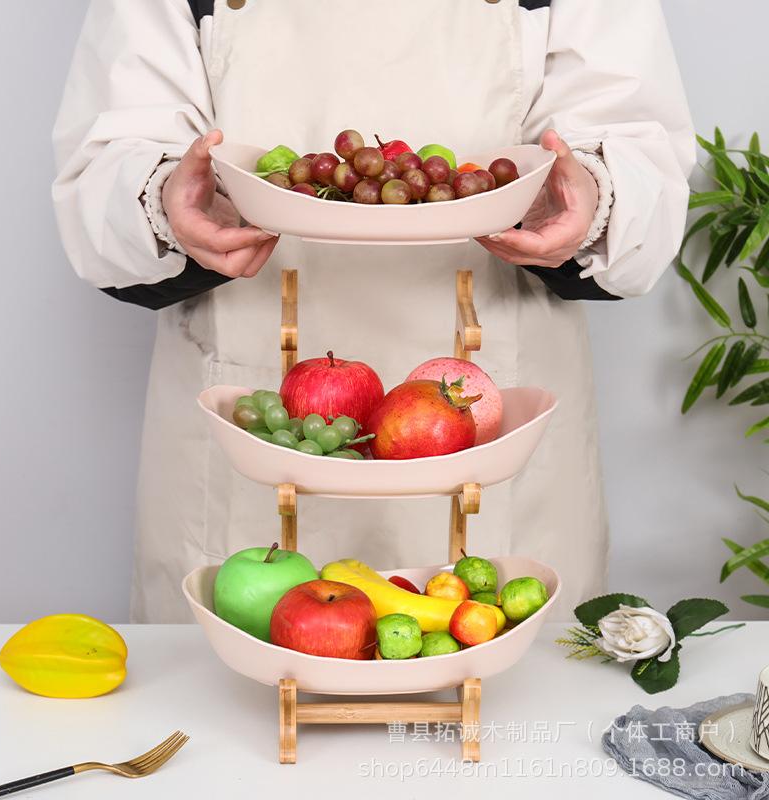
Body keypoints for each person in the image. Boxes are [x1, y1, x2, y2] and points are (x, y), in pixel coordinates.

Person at [53, 0, 695, 621]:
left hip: (497, 422)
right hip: (248, 412)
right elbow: (107, 165)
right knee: (229, 713)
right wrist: (166, 198)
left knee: (509, 708)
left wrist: (590, 191)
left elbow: (636, 151)